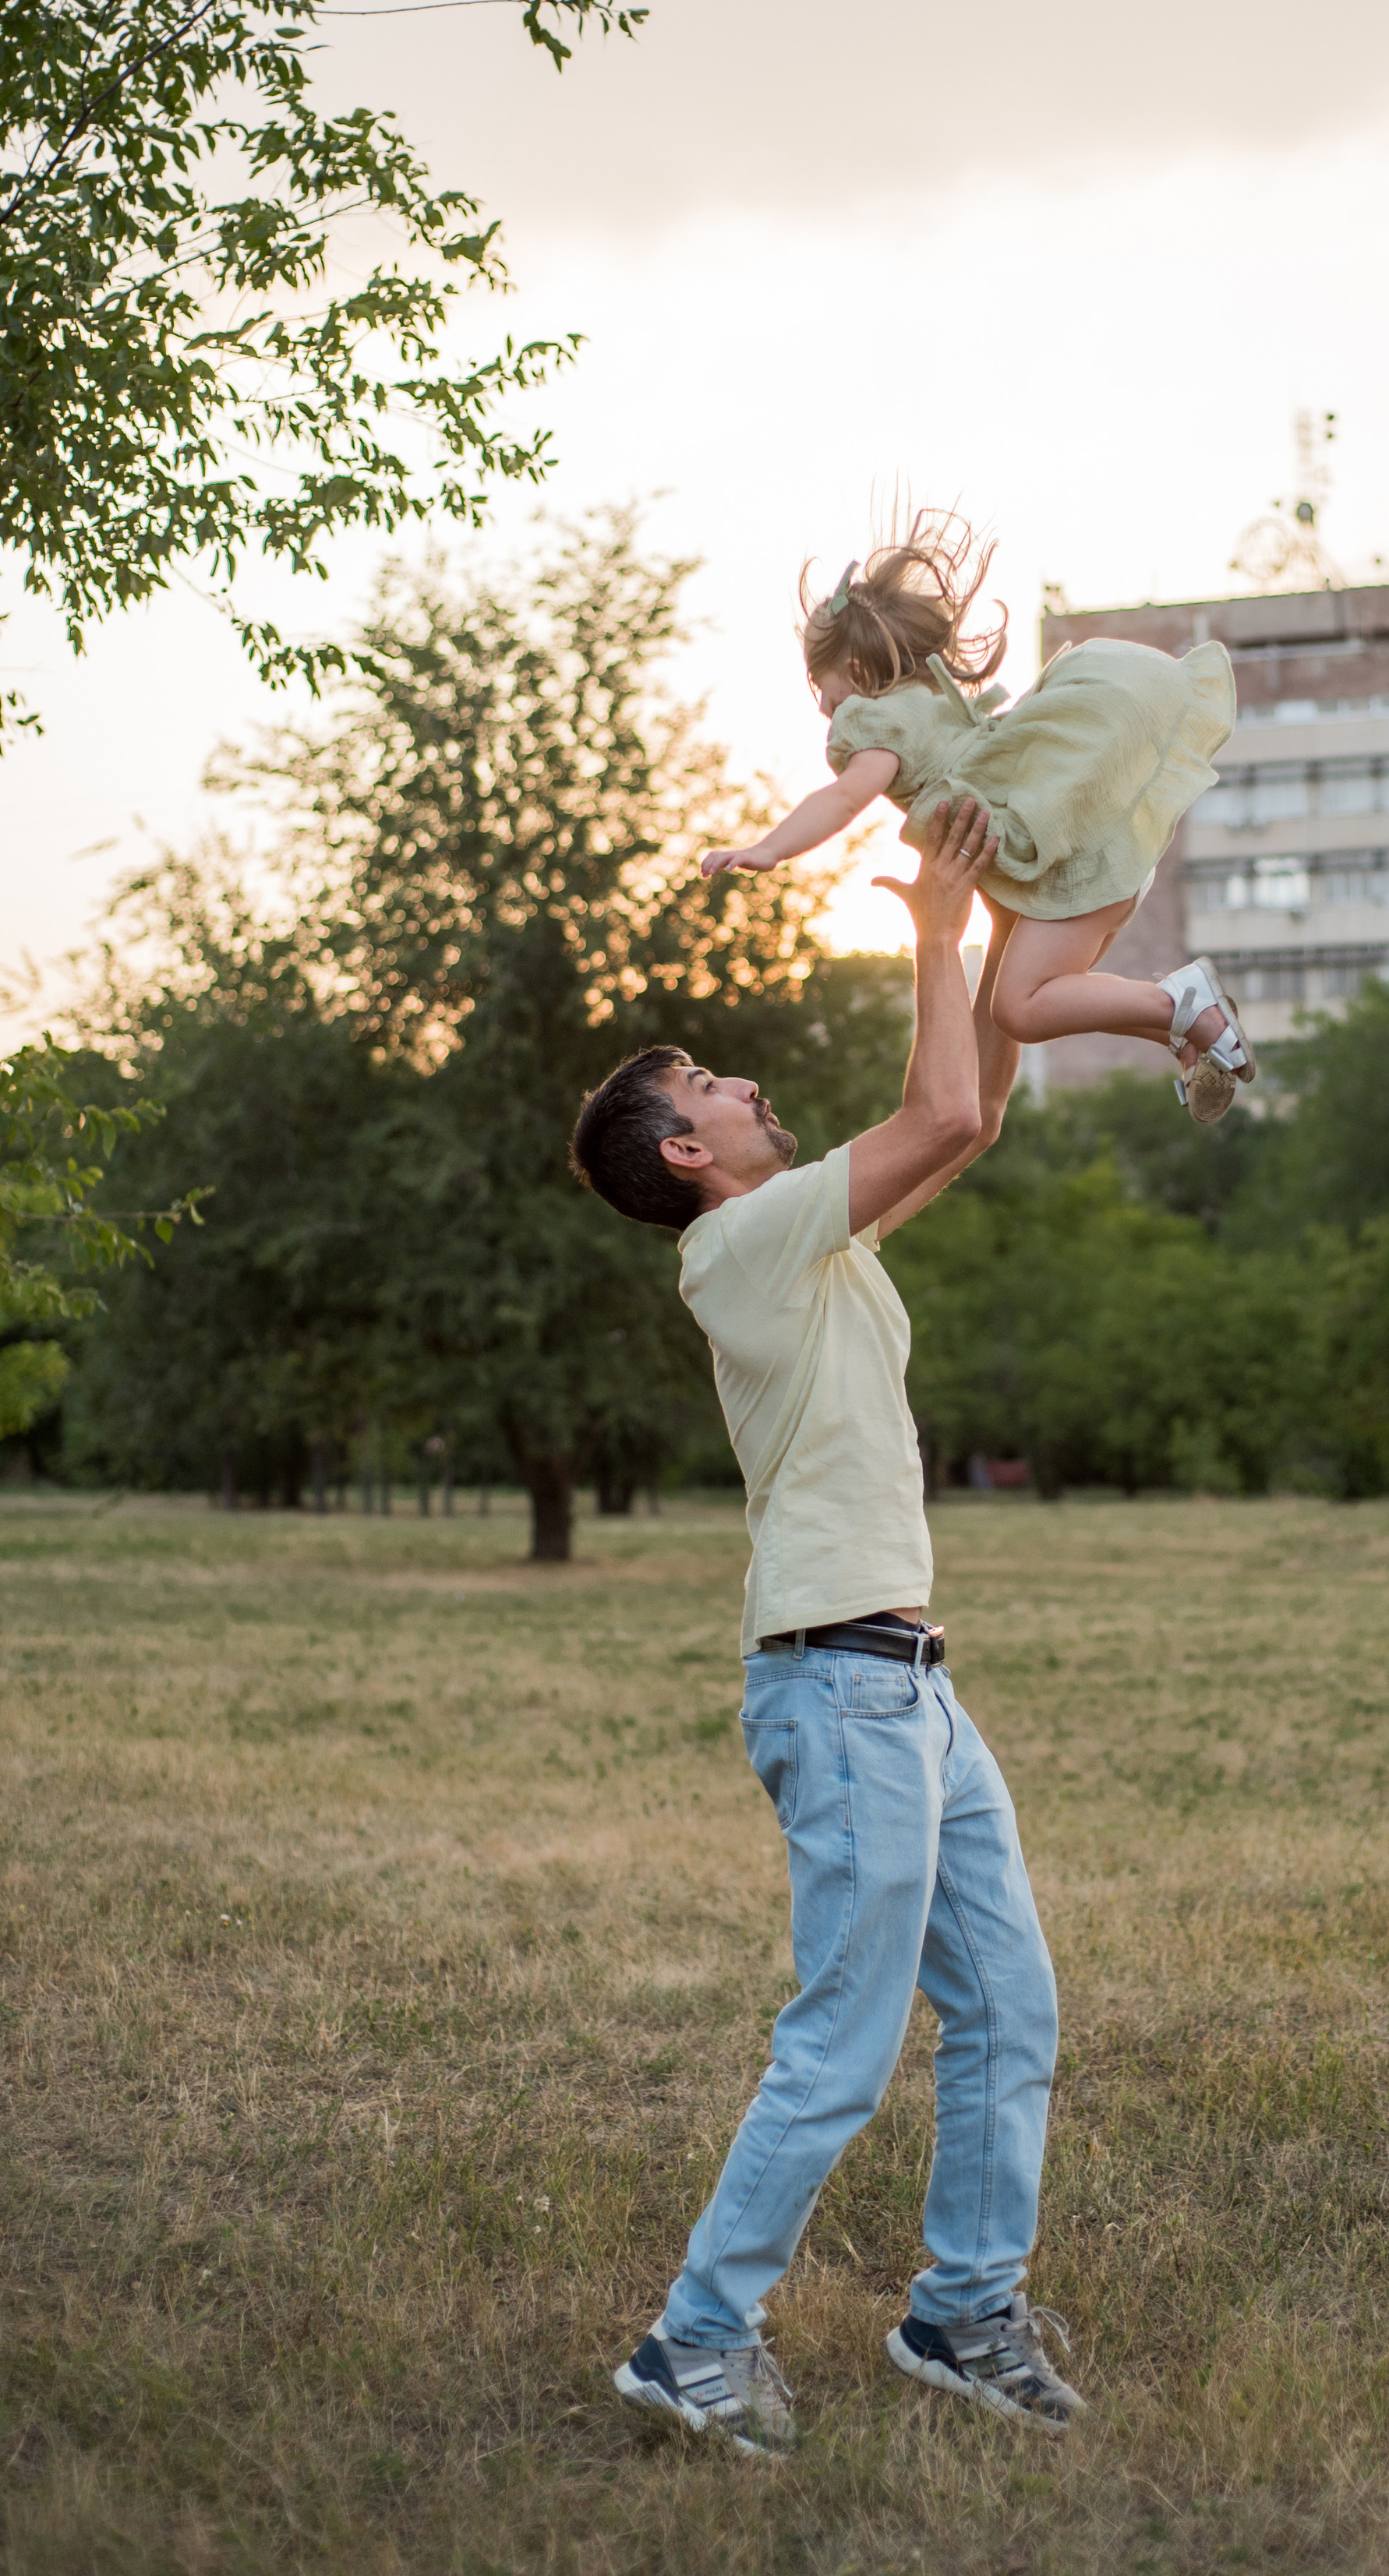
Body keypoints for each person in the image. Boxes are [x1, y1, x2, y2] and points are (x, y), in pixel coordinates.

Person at [567, 792, 1084, 2459]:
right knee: (843, 2044)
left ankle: (960, 2312)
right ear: (684, 1155)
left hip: (911, 1690)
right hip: (837, 1690)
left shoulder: (815, 1243)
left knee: (1008, 2006)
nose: (745, 1084)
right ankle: (693, 2341)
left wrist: (1010, 914)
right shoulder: (740, 1247)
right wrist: (930, 928)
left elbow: (973, 1113)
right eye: (711, 1085)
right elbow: (936, 1099)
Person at [698, 510, 1257, 1123]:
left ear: (855, 673)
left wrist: (770, 848)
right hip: (1084, 853)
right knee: (1036, 999)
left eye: (820, 684)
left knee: (1017, 1008)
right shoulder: (931, 699)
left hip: (1059, 868)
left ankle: (1179, 1004)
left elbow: (844, 798)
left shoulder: (870, 719)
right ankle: (1185, 1035)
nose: (824, 705)